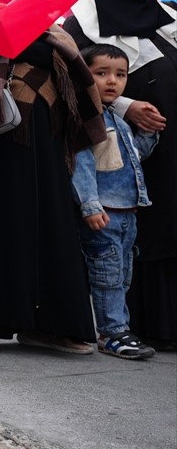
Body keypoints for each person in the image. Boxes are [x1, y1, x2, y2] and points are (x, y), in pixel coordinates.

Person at [0, 23, 103, 358]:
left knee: (50, 222)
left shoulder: (52, 27)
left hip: (45, 137)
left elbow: (74, 69)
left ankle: (47, 325)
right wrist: (2, 34)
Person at [64, 0, 176, 350]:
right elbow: (76, 80)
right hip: (118, 177)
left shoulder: (167, 18)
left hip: (155, 152)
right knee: (117, 262)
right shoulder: (83, 25)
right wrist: (124, 105)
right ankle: (123, 329)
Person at [71, 44, 158, 359]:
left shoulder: (119, 120)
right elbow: (80, 165)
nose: (112, 81)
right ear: (85, 75)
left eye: (120, 74)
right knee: (106, 275)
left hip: (128, 214)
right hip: (105, 213)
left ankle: (119, 328)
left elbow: (130, 158)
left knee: (123, 274)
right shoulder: (88, 118)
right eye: (101, 73)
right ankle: (112, 333)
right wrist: (90, 206)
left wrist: (148, 136)